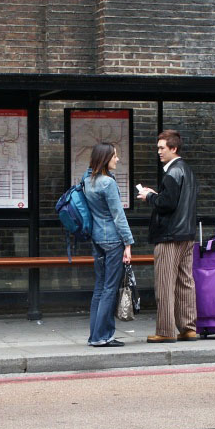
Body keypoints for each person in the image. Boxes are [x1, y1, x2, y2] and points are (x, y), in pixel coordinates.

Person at [137, 129, 199, 343]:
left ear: (174, 148)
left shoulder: (172, 172)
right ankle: (188, 328)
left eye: (162, 148)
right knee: (185, 282)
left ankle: (165, 331)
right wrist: (158, 195)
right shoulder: (188, 171)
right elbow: (178, 201)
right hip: (187, 234)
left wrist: (150, 196)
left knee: (165, 283)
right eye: (158, 148)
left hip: (169, 236)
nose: (159, 152)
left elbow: (167, 204)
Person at [82, 143, 134, 347]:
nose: (117, 159)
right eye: (114, 156)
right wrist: (128, 243)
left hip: (97, 239)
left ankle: (94, 334)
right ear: (105, 158)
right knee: (110, 288)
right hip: (112, 240)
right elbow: (118, 215)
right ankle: (102, 336)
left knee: (100, 288)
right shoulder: (108, 183)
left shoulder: (88, 181)